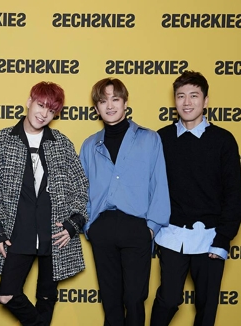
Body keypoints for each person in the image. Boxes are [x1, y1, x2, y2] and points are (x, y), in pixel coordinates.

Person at [0, 81, 88, 326]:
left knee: (46, 297)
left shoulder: (61, 143)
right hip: (18, 230)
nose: (43, 114)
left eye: (51, 110)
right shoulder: (2, 140)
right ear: (29, 102)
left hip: (54, 231)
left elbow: (80, 186)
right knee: (8, 294)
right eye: (40, 105)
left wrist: (75, 222)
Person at [150, 71, 241, 326]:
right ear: (175, 100)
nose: (187, 102)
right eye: (181, 96)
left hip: (211, 238)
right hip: (171, 235)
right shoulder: (161, 138)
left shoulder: (223, 140)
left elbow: (234, 195)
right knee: (168, 300)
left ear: (206, 100)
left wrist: (223, 238)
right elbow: (151, 187)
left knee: (206, 306)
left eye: (194, 96)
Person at [79, 77, 170, 326]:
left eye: (115, 99)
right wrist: (89, 226)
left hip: (137, 227)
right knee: (111, 301)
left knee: (134, 298)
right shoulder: (89, 145)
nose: (110, 106)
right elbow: (81, 191)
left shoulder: (150, 139)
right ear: (96, 108)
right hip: (103, 226)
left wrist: (151, 227)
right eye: (103, 100)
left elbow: (159, 184)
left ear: (125, 103)